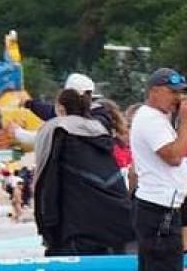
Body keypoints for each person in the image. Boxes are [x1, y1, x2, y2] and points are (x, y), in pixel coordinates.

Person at [128, 68, 187, 271]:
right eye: (173, 92)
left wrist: (183, 123)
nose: (177, 98)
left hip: (155, 203)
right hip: (160, 206)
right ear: (154, 92)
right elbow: (173, 156)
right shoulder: (150, 119)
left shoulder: (154, 119)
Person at [32, 87, 133, 256]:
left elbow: (49, 186)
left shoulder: (59, 135)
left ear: (61, 109)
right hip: (118, 224)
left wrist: (48, 229)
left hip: (76, 229)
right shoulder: (101, 132)